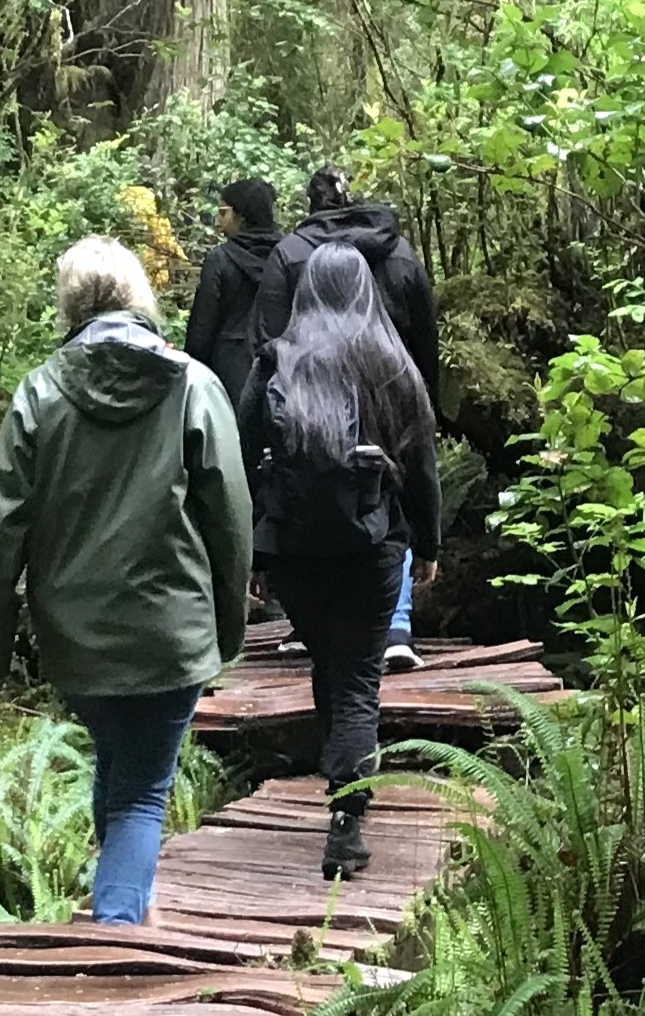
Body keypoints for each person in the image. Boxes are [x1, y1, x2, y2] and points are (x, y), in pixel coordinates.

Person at [0, 236, 252, 926]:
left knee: (118, 760)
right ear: (137, 294)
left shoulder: (40, 393)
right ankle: (119, 934)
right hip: (170, 630)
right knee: (142, 792)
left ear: (71, 301)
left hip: (75, 636)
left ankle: (123, 902)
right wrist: (227, 626)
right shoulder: (193, 384)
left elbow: (0, 531)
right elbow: (232, 518)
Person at [238, 242, 441, 880]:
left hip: (295, 551)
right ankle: (347, 821)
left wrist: (248, 550)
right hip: (374, 547)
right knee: (356, 676)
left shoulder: (273, 364)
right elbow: (423, 465)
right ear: (365, 290)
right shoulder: (389, 362)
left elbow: (242, 461)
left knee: (332, 665)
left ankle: (343, 794)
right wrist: (428, 545)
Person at [250, 165, 442, 670]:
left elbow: (267, 341)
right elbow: (425, 333)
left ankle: (306, 622)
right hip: (391, 387)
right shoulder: (397, 251)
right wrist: (426, 401)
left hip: (309, 402)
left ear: (309, 205)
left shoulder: (290, 254)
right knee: (388, 499)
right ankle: (396, 625)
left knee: (313, 490)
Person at [182, 179, 282, 398]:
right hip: (279, 371)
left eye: (223, 213)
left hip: (226, 375)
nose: (217, 223)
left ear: (242, 215)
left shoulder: (219, 260)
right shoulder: (287, 256)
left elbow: (201, 330)